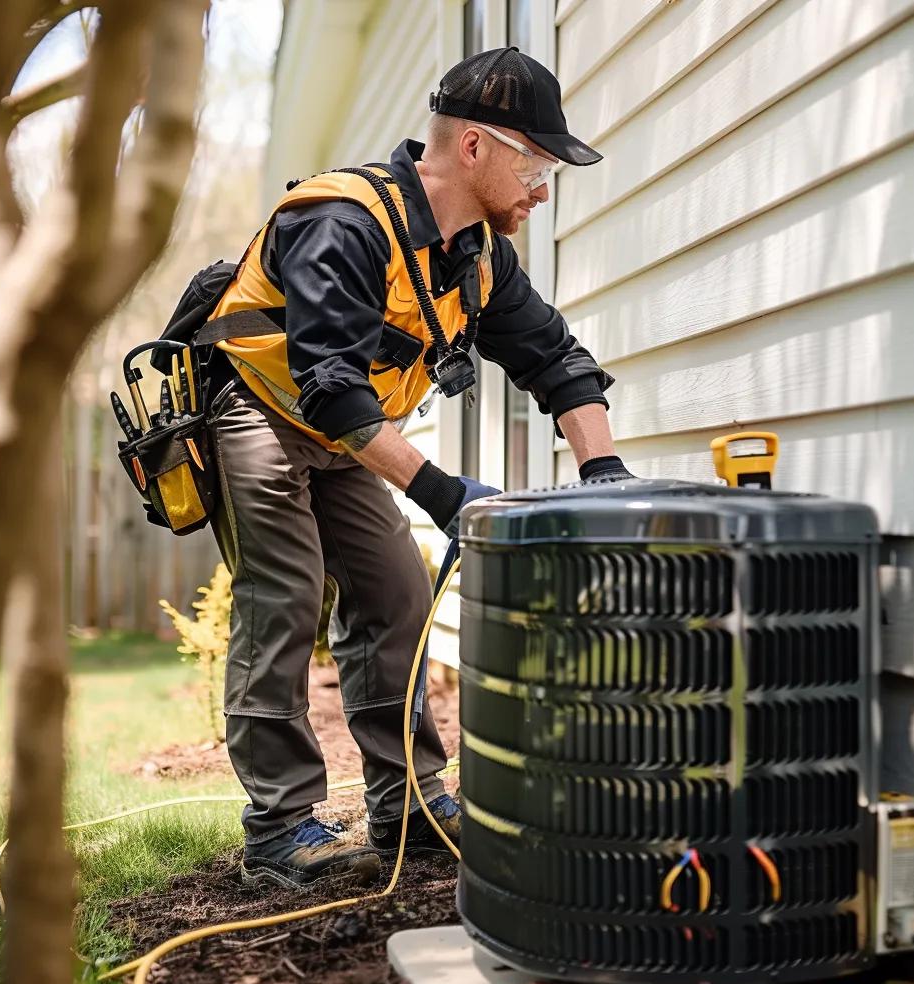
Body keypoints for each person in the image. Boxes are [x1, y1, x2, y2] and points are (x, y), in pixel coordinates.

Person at [200, 46, 634, 890]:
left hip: (346, 434)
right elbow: (329, 389)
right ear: (473, 147)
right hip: (259, 410)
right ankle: (280, 829)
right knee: (284, 600)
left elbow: (556, 360)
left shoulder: (476, 255)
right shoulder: (344, 224)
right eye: (537, 161)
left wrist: (605, 469)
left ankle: (410, 803)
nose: (544, 186)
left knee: (397, 595)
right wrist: (442, 493)